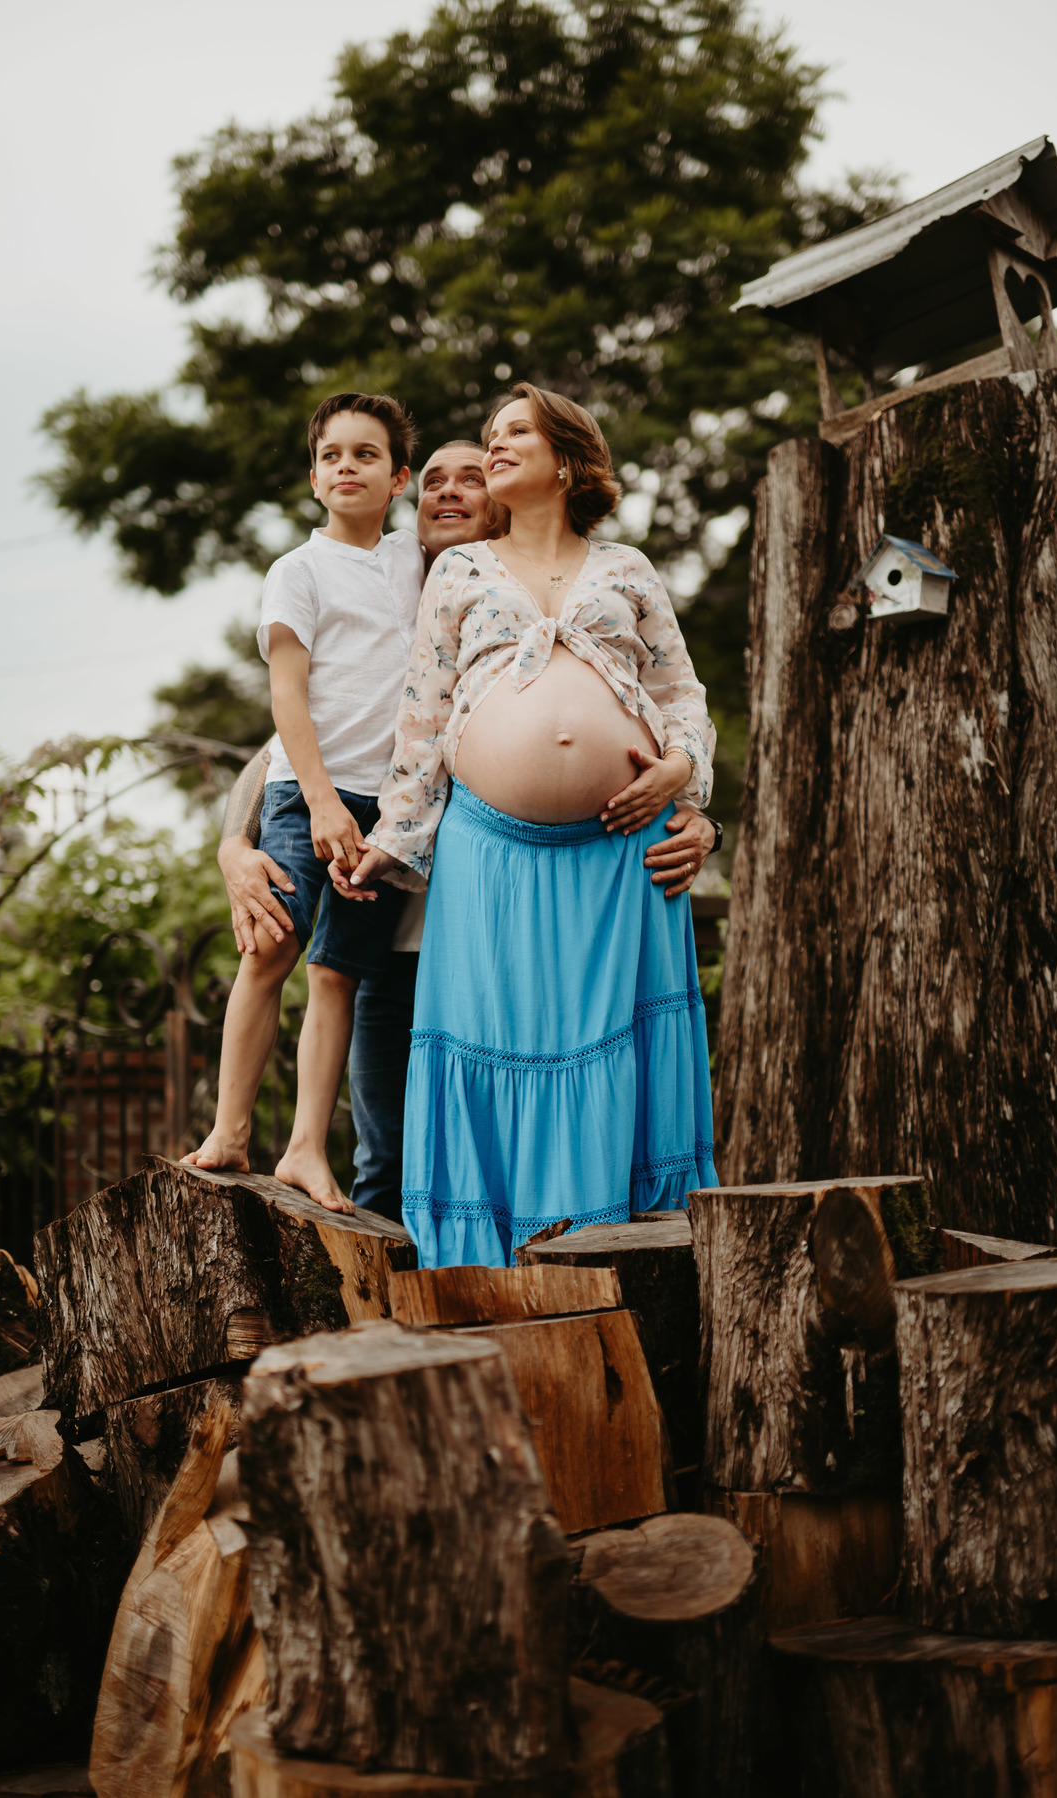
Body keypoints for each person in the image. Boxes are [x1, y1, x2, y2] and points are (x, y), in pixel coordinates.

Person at [216, 438, 720, 1221]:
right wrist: (234, 841)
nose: (450, 492)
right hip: (397, 929)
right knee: (392, 1154)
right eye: (436, 481)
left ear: (502, 502)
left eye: (473, 477)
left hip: (523, 909)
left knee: (544, 1116)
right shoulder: (396, 590)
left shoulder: (530, 586)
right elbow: (284, 745)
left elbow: (659, 699)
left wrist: (699, 818)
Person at [335, 382, 719, 1266]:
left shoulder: (627, 567)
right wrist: (393, 840)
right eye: (490, 434)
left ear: (569, 459)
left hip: (622, 857)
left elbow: (681, 695)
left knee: (622, 1044)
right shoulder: (461, 572)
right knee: (487, 1043)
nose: (494, 446)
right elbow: (424, 714)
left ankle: (629, 1268)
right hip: (488, 856)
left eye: (516, 432)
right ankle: (486, 1277)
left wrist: (681, 775)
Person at [182, 391, 420, 1211]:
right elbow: (286, 696)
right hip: (307, 792)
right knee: (270, 948)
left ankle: (307, 1149)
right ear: (314, 478)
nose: (347, 466)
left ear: (399, 478)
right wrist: (320, 803)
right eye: (331, 456)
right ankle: (229, 1131)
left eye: (366, 454)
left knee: (337, 974)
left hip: (389, 814)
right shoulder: (298, 571)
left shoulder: (415, 560)